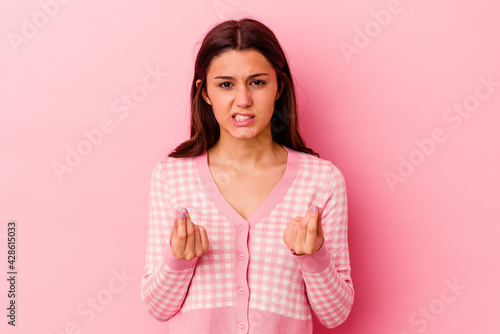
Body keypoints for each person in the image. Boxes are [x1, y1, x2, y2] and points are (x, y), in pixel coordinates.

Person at [140, 17, 354, 334]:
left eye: (257, 82)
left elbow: (335, 315)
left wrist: (313, 258)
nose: (243, 100)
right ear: (206, 92)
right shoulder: (172, 177)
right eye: (226, 84)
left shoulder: (322, 182)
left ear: (279, 86)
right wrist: (179, 261)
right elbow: (157, 308)